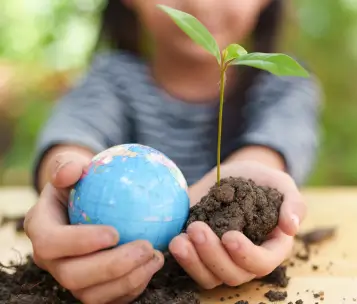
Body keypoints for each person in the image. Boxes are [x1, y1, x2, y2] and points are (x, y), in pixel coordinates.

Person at [24, 0, 322, 303]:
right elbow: (74, 132)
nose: (200, 4)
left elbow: (277, 142)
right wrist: (64, 180)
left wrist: (250, 190)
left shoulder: (283, 85)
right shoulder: (111, 80)